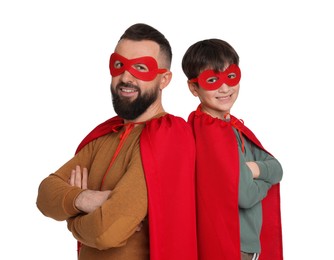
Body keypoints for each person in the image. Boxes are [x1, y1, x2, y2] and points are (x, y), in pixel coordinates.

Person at [36, 23, 198, 260]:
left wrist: (71, 217)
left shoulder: (169, 136)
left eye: (141, 68)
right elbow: (44, 195)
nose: (125, 77)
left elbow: (106, 232)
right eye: (119, 65)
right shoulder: (105, 135)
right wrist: (85, 199)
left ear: (164, 80)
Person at [181, 38, 283, 260]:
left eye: (231, 77)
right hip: (231, 247)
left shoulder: (232, 127)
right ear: (193, 87)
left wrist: (253, 170)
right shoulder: (209, 133)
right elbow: (245, 195)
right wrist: (265, 179)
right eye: (212, 80)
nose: (225, 87)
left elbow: (278, 168)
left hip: (247, 246)